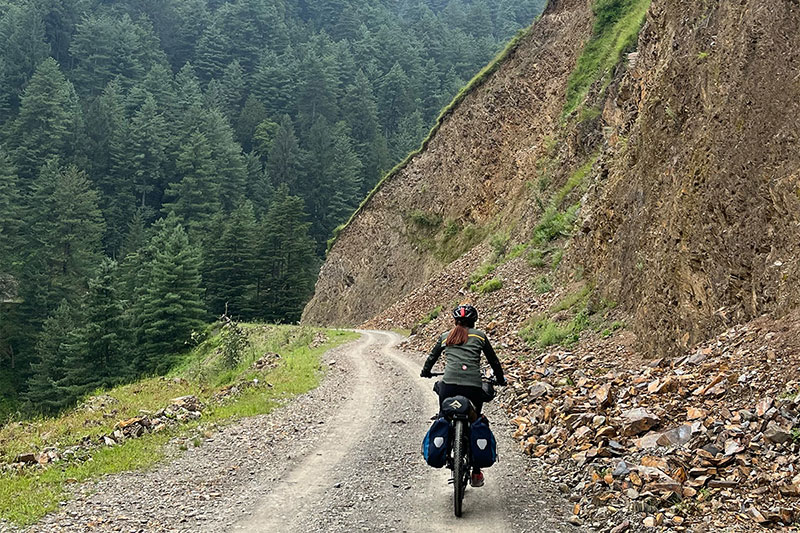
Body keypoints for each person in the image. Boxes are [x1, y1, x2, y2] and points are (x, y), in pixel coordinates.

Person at [420, 304, 506, 488]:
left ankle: (445, 447)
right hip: (473, 387)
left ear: (455, 321)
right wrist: (501, 379)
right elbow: (494, 361)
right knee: (476, 421)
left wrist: (425, 372)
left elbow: (431, 358)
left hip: (448, 386)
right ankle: (476, 472)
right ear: (474, 321)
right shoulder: (480, 336)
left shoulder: (446, 336)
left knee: (444, 415)